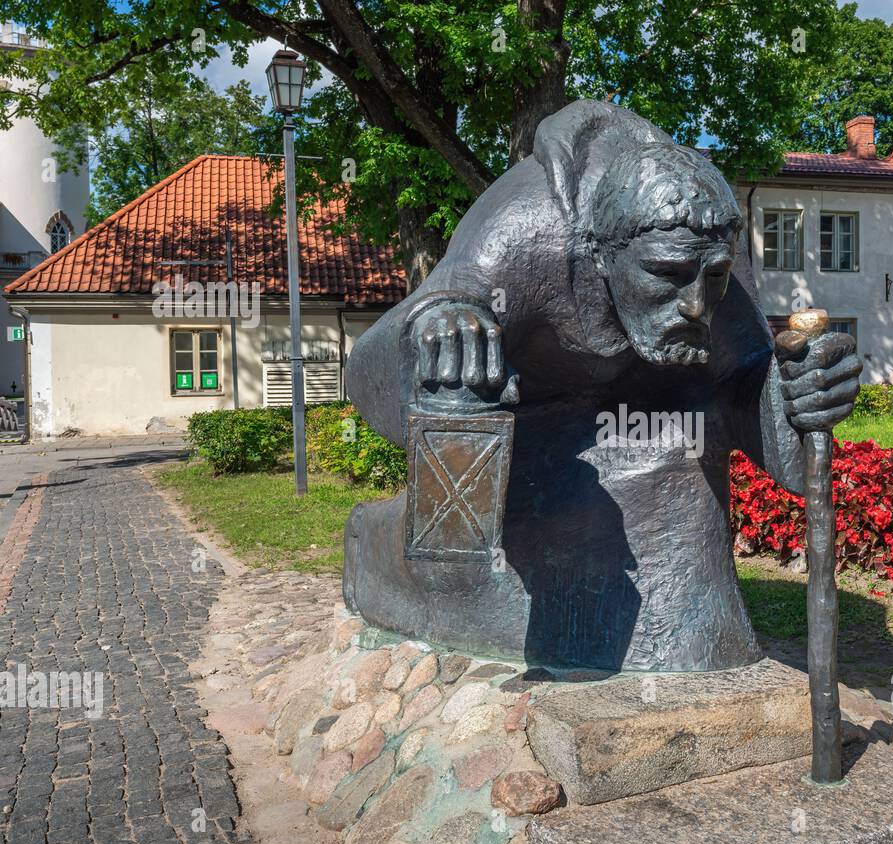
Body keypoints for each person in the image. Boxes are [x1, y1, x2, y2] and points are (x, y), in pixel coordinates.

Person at [344, 100, 860, 672]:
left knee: (688, 442)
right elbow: (379, 366)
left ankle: (677, 647)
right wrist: (439, 329)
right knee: (466, 554)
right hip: (521, 442)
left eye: (711, 278)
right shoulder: (522, 229)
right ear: (598, 252)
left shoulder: (707, 241)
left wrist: (798, 392)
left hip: (645, 441)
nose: (695, 304)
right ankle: (374, 544)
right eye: (664, 275)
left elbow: (740, 390)